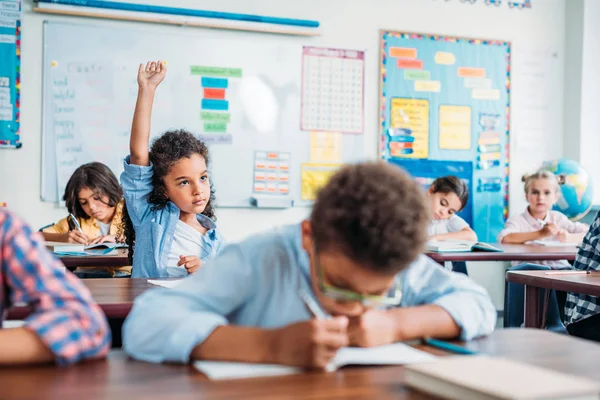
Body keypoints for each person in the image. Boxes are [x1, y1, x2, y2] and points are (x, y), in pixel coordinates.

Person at [123, 162, 496, 368]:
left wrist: (396, 322)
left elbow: (477, 303)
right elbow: (145, 322)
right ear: (308, 237)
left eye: (379, 295)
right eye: (338, 284)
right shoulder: (261, 257)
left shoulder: (393, 257)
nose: (357, 308)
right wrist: (269, 346)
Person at [121, 61, 224, 278]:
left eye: (203, 178)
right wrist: (147, 90)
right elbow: (139, 154)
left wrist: (206, 272)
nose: (198, 190)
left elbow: (227, 287)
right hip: (153, 308)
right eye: (184, 182)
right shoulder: (150, 218)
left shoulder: (215, 239)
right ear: (164, 189)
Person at [0, 209, 110, 365]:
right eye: (84, 202)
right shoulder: (74, 220)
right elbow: (42, 233)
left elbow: (88, 325)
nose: (92, 207)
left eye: (96, 199)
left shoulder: (5, 226)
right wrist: (64, 237)